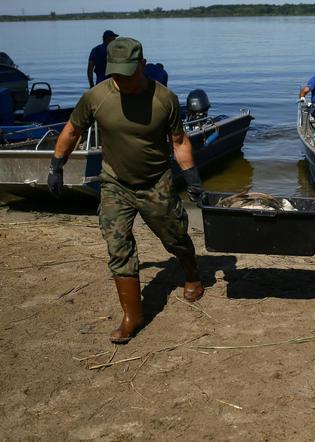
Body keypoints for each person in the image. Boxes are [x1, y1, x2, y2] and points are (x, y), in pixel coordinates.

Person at [49, 37, 205, 344]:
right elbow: (72, 130)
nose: (122, 80)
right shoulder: (95, 97)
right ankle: (133, 316)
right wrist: (56, 164)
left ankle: (192, 274)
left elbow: (178, 141)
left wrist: (193, 178)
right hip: (115, 183)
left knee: (174, 237)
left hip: (155, 182)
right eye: (116, 73)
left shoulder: (164, 99)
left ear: (143, 66)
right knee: (117, 246)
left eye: (128, 73)